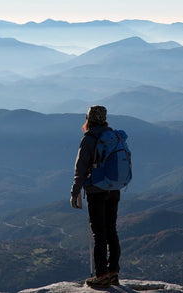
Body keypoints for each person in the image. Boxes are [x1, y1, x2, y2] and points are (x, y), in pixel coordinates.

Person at [70, 105, 121, 288]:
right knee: (111, 230)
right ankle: (114, 272)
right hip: (114, 189)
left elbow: (81, 168)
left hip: (95, 191)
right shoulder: (114, 136)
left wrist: (75, 192)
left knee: (99, 233)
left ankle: (101, 274)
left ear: (89, 119)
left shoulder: (89, 139)